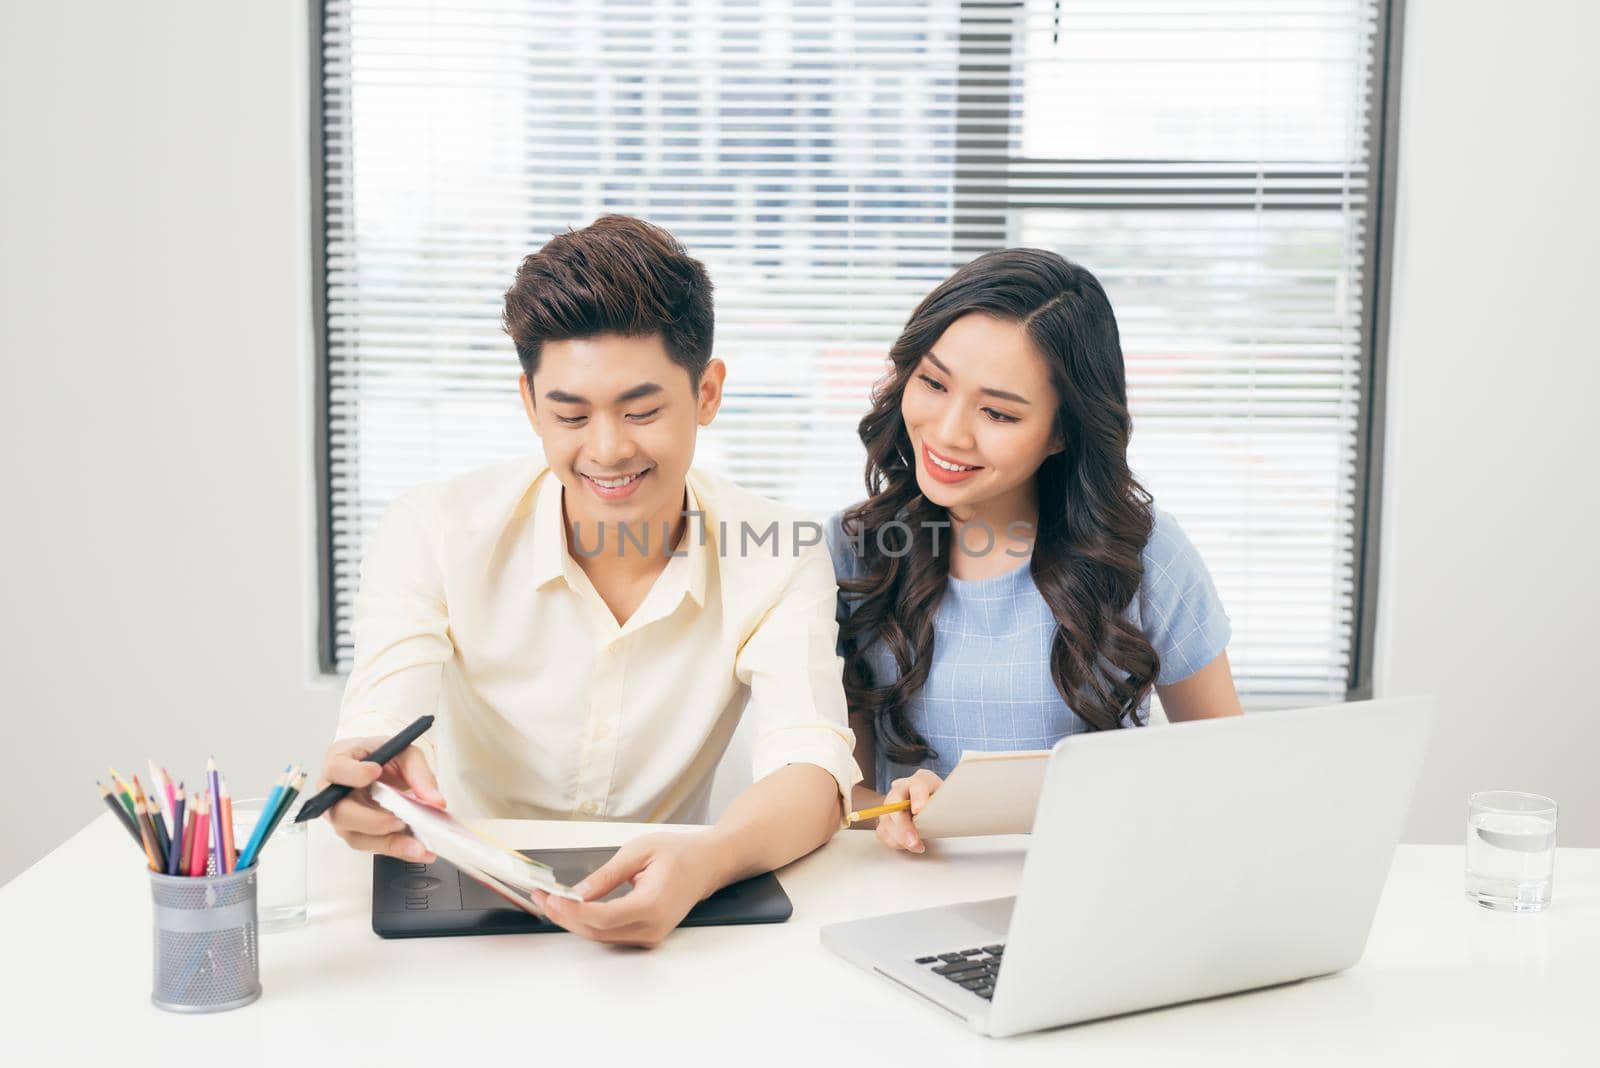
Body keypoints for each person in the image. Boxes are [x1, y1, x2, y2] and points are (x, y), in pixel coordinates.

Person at [314, 215, 859, 946]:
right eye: (570, 414)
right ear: (530, 403)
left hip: (673, 910)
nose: (607, 450)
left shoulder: (779, 553)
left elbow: (813, 769)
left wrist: (710, 862)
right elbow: (383, 714)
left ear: (707, 393)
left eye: (642, 411)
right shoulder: (435, 530)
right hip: (464, 909)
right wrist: (373, 782)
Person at [827, 248, 1242, 855]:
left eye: (997, 411)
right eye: (933, 383)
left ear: (1063, 431)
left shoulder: (1146, 552)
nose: (947, 433)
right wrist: (892, 809)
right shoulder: (855, 550)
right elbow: (845, 795)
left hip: (1097, 885)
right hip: (909, 890)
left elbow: (1227, 772)